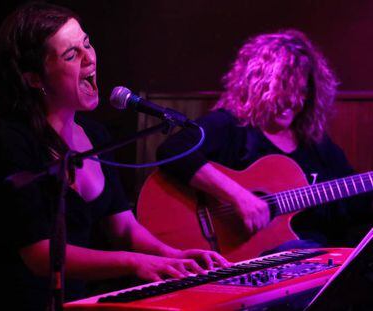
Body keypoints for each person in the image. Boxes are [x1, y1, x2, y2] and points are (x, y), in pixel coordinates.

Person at [0, 2, 228, 310]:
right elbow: (39, 255)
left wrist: (171, 255)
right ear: (34, 78)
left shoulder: (95, 135)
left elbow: (123, 229)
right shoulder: (11, 144)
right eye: (72, 54)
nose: (90, 58)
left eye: (87, 44)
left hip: (84, 301)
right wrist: (132, 263)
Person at [157, 29, 372, 252]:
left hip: (310, 257)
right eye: (283, 89)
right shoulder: (230, 126)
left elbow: (354, 206)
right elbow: (173, 150)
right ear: (258, 85)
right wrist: (238, 196)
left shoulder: (316, 145)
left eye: (302, 91)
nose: (293, 101)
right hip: (242, 259)